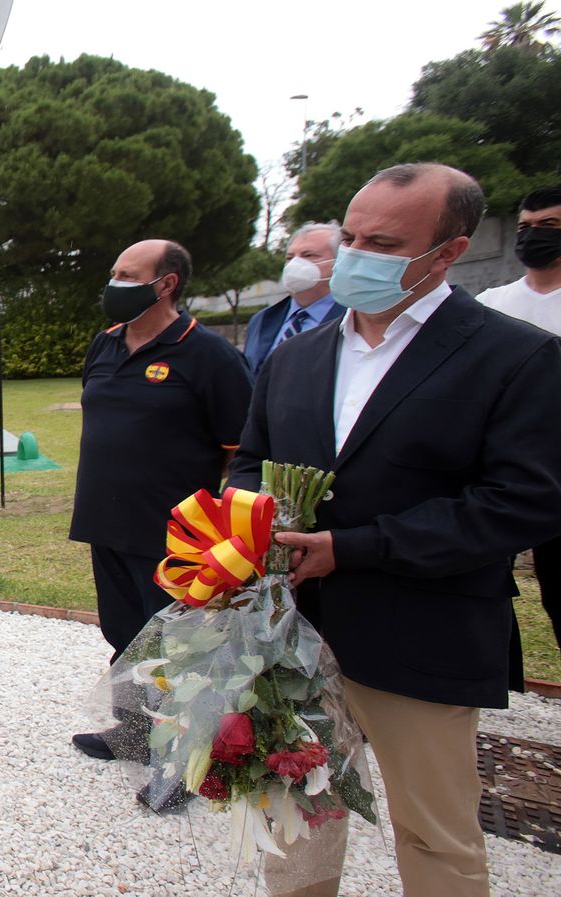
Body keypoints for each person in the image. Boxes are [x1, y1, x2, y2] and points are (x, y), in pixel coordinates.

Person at [233, 164, 561, 897]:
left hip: (424, 633)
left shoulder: (513, 356)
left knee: (435, 832)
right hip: (295, 635)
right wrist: (246, 519)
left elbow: (522, 503)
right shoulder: (297, 355)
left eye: (381, 242)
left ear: (447, 252)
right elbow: (250, 462)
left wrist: (352, 548)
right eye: (348, 236)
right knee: (298, 813)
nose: (353, 255)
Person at [68, 239, 252, 766]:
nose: (113, 285)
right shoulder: (104, 345)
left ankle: (184, 760)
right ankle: (132, 732)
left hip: (177, 534)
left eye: (128, 276)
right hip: (106, 521)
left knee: (178, 648)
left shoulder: (209, 355)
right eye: (114, 273)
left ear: (166, 283)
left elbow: (243, 449)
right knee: (124, 634)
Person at [477, 185, 561, 653]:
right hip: (504, 471)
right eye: (526, 227)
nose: (533, 236)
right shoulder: (493, 303)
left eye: (549, 227)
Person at [242, 222, 345, 378]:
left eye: (308, 255)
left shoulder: (355, 320)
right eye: (289, 258)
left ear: (339, 261)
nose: (295, 264)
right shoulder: (261, 320)